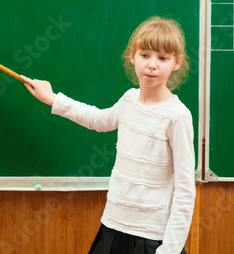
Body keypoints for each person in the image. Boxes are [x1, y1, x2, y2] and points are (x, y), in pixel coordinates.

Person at [21, 16, 195, 254]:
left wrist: (171, 250)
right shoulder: (129, 100)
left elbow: (185, 191)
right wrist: (53, 98)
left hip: (151, 238)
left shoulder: (177, 116)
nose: (152, 64)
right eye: (145, 55)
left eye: (162, 58)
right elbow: (99, 120)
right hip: (113, 227)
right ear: (132, 55)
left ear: (176, 62)